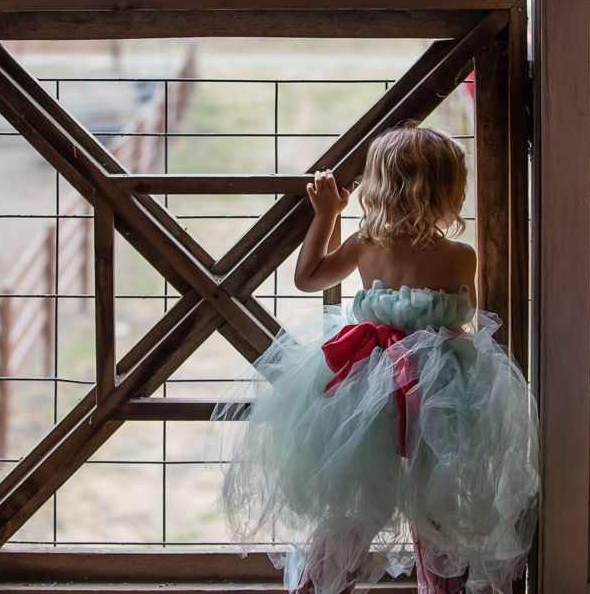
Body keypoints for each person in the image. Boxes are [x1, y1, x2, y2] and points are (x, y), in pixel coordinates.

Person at [213, 124, 539, 594]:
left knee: (359, 501)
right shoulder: (460, 256)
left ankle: (317, 587)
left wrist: (326, 214)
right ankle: (442, 588)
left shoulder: (366, 245)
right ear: (447, 190)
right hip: (440, 389)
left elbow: (307, 277)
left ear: (379, 186)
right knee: (436, 506)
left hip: (366, 386)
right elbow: (464, 321)